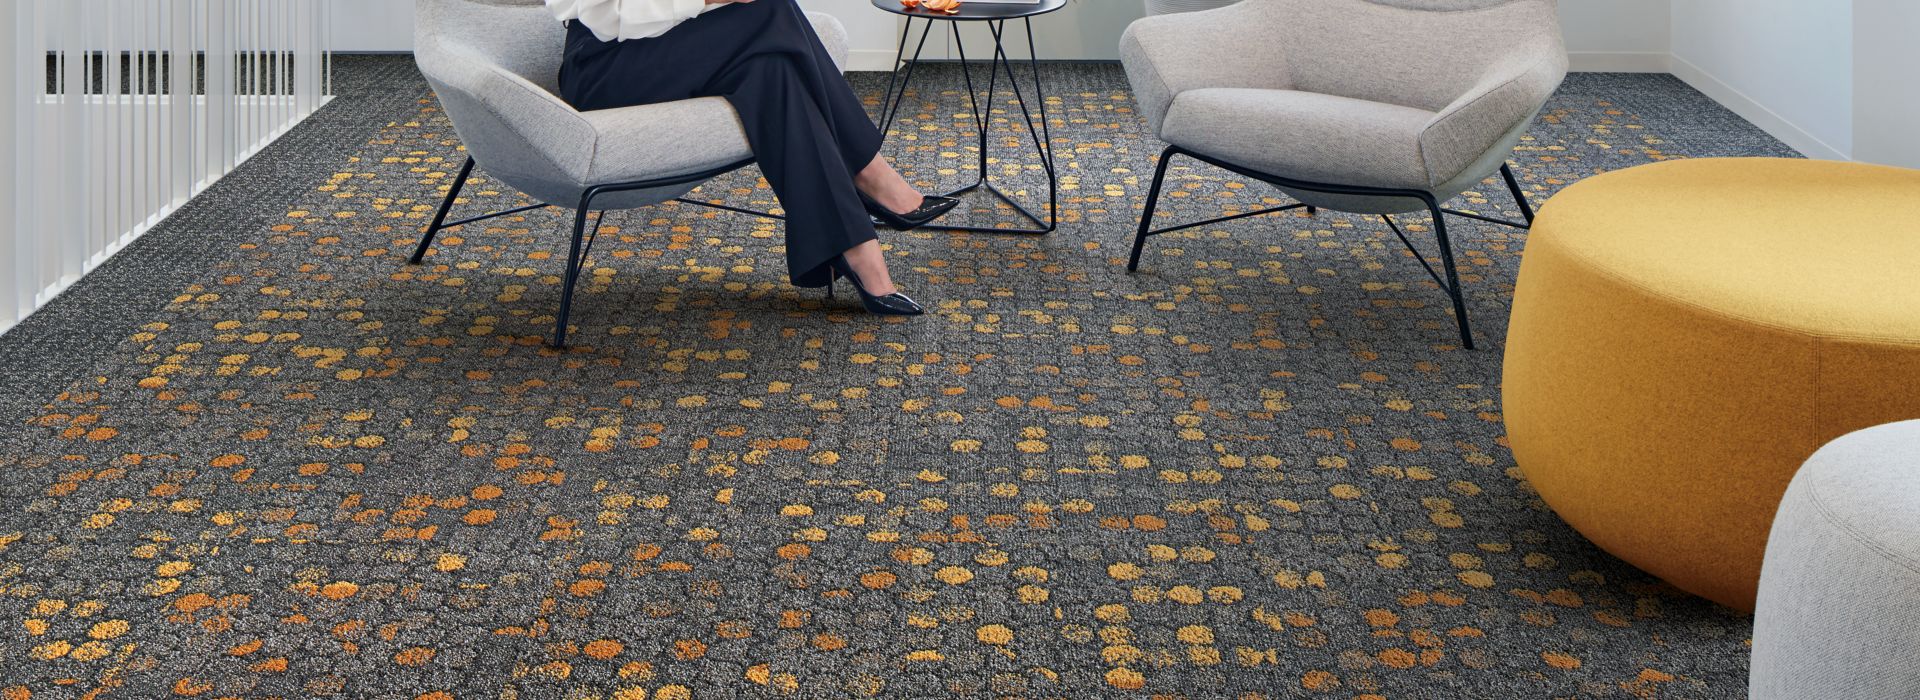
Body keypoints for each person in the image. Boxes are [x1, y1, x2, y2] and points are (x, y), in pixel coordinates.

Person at [545, 0, 958, 315]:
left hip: (669, 47)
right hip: (602, 66)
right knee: (771, 12)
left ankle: (852, 243)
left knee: (773, 71)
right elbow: (608, 15)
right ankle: (870, 177)